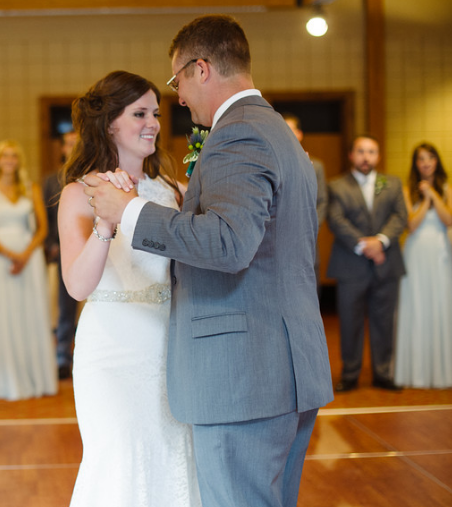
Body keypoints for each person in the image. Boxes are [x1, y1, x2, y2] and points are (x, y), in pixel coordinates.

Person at [83, 15, 333, 507]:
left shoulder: (237, 135)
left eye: (177, 81)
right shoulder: (276, 131)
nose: (176, 98)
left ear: (202, 69)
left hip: (244, 376)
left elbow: (229, 244)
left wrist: (129, 210)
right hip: (284, 365)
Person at [58, 71, 201, 507]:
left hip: (167, 350)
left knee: (173, 458)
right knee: (118, 460)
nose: (153, 122)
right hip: (110, 355)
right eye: (139, 113)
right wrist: (105, 224)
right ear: (110, 125)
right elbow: (78, 286)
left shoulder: (175, 192)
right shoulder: (79, 194)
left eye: (156, 113)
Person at [327, 135, 407, 392]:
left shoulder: (391, 184)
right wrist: (367, 246)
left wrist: (381, 241)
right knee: (350, 322)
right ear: (351, 155)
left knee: (384, 322)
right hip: (351, 265)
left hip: (387, 263)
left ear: (378, 156)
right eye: (361, 151)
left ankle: (383, 373)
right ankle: (350, 375)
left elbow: (400, 216)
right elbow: (336, 220)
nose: (366, 157)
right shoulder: (337, 185)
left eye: (371, 152)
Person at [0, 139, 57, 400]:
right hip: (0, 260)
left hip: (30, 257)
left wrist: (25, 254)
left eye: (13, 155)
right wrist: (11, 254)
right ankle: (10, 381)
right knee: (6, 317)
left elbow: (42, 228)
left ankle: (38, 380)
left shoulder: (30, 188)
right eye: (5, 156)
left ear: (18, 160)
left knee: (32, 315)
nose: (9, 160)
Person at [394, 143, 452, 388]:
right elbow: (412, 225)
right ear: (415, 164)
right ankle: (416, 373)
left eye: (430, 158)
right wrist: (424, 199)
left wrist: (433, 195)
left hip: (440, 253)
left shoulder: (447, 188)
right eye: (421, 159)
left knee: (441, 305)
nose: (426, 163)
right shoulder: (407, 191)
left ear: (437, 162)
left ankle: (443, 372)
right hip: (416, 253)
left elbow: (448, 219)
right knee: (416, 306)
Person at [43, 130, 79, 379]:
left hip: (95, 247)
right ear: (63, 149)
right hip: (63, 251)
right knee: (65, 306)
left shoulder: (95, 174)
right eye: (68, 143)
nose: (72, 146)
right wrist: (51, 244)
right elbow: (44, 217)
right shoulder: (51, 181)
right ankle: (63, 355)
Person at [282, 113, 328, 289]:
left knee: (311, 289)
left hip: (307, 236)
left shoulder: (316, 166)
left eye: (290, 129)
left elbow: (322, 201)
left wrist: (309, 226)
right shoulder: (269, 164)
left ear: (299, 134)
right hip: (279, 238)